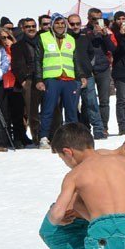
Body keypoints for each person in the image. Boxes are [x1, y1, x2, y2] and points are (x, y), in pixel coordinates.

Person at [34, 14, 84, 149]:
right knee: (48, 109)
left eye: (62, 23)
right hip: (52, 78)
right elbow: (37, 60)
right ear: (52, 24)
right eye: (57, 23)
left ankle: (72, 139)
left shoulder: (71, 39)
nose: (60, 26)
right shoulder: (43, 38)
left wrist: (80, 76)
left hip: (69, 78)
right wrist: (39, 79)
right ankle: (44, 137)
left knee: (71, 110)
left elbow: (75, 60)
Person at [10, 17, 40, 144]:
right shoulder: (17, 46)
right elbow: (16, 65)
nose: (31, 29)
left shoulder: (41, 42)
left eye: (33, 26)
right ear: (23, 28)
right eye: (28, 26)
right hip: (28, 80)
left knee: (50, 109)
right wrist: (23, 80)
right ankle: (37, 137)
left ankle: (49, 134)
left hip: (44, 78)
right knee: (32, 111)